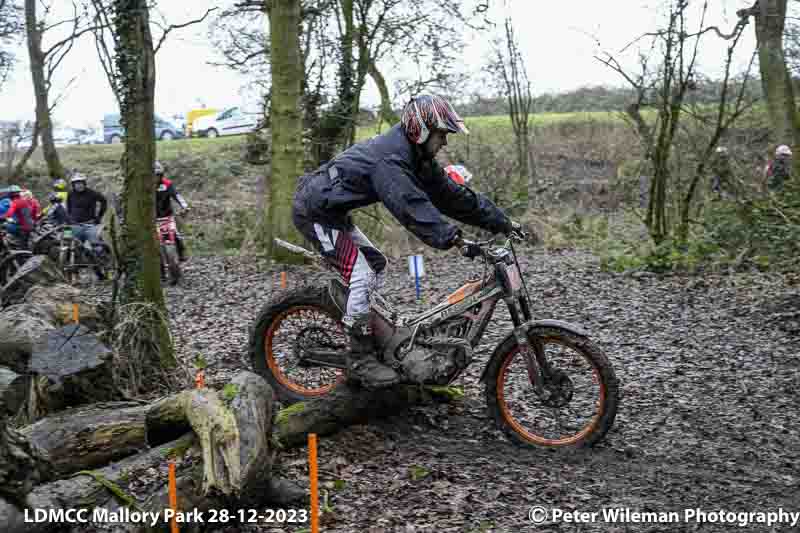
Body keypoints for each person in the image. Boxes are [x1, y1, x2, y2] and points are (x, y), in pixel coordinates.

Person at [292, 94, 519, 389]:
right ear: (421, 130)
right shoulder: (390, 161)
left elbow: (453, 196)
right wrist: (454, 239)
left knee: (375, 263)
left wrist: (502, 221)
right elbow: (410, 206)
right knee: (361, 273)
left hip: (333, 211)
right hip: (314, 210)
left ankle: (372, 326)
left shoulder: (416, 156)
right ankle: (359, 357)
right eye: (441, 135)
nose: (445, 143)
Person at [66, 172, 108, 279]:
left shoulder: (92, 193)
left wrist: (99, 216)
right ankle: (75, 274)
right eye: (76, 183)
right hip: (76, 225)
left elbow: (104, 201)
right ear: (73, 185)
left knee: (96, 247)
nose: (79, 185)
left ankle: (102, 269)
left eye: (80, 183)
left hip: (90, 225)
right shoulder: (70, 194)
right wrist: (70, 219)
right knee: (74, 249)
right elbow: (69, 207)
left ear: (84, 183)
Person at [154, 160, 190, 262]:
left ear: (161, 175)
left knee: (176, 234)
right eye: (153, 175)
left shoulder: (167, 184)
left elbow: (177, 195)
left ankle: (181, 252)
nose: (155, 178)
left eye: (157, 175)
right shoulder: (144, 187)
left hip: (167, 216)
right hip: (150, 219)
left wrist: (184, 206)